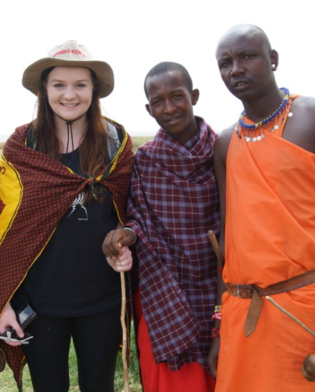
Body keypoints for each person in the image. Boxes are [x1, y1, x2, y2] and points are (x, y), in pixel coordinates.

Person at [207, 25, 315, 391]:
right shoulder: (226, 142)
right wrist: (220, 322)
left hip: (310, 312)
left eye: (247, 56)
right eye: (225, 63)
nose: (236, 70)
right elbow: (230, 238)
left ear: (272, 59)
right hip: (243, 314)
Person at [0, 40, 135, 392]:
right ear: (43, 90)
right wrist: (6, 302)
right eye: (59, 85)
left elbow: (130, 212)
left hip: (102, 301)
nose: (69, 95)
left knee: (99, 386)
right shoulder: (23, 145)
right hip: (40, 302)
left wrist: (125, 239)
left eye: (80, 85)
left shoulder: (116, 142)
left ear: (94, 90)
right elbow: (6, 226)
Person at [101, 62, 219, 392]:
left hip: (220, 287)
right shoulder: (146, 160)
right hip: (163, 289)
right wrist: (127, 235)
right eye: (158, 101)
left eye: (177, 96)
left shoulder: (223, 150)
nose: (169, 108)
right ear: (148, 108)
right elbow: (139, 220)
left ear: (194, 96)